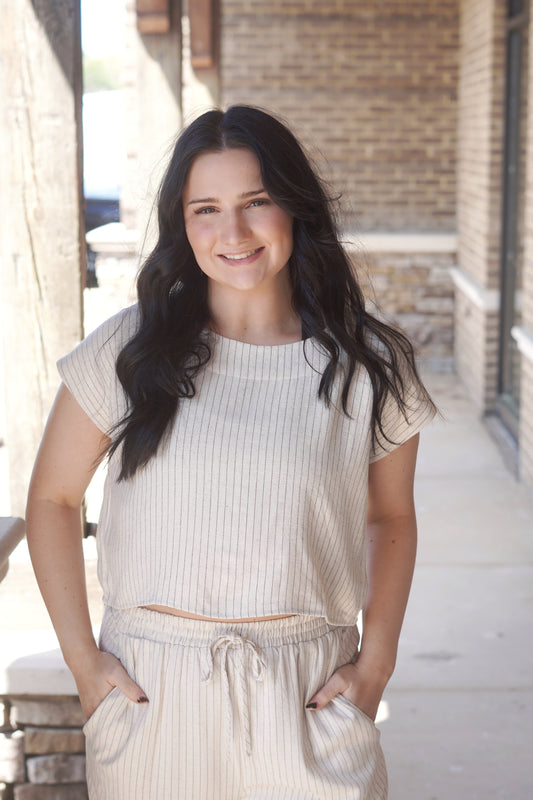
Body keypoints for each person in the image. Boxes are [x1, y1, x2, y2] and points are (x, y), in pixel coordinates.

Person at [26, 105, 436, 800]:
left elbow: (390, 517)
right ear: (181, 226)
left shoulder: (368, 363)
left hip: (310, 698)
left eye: (256, 202)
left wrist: (377, 665)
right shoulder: (128, 351)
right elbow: (51, 499)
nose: (234, 233)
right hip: (151, 700)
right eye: (206, 210)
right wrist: (84, 666)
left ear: (295, 207)